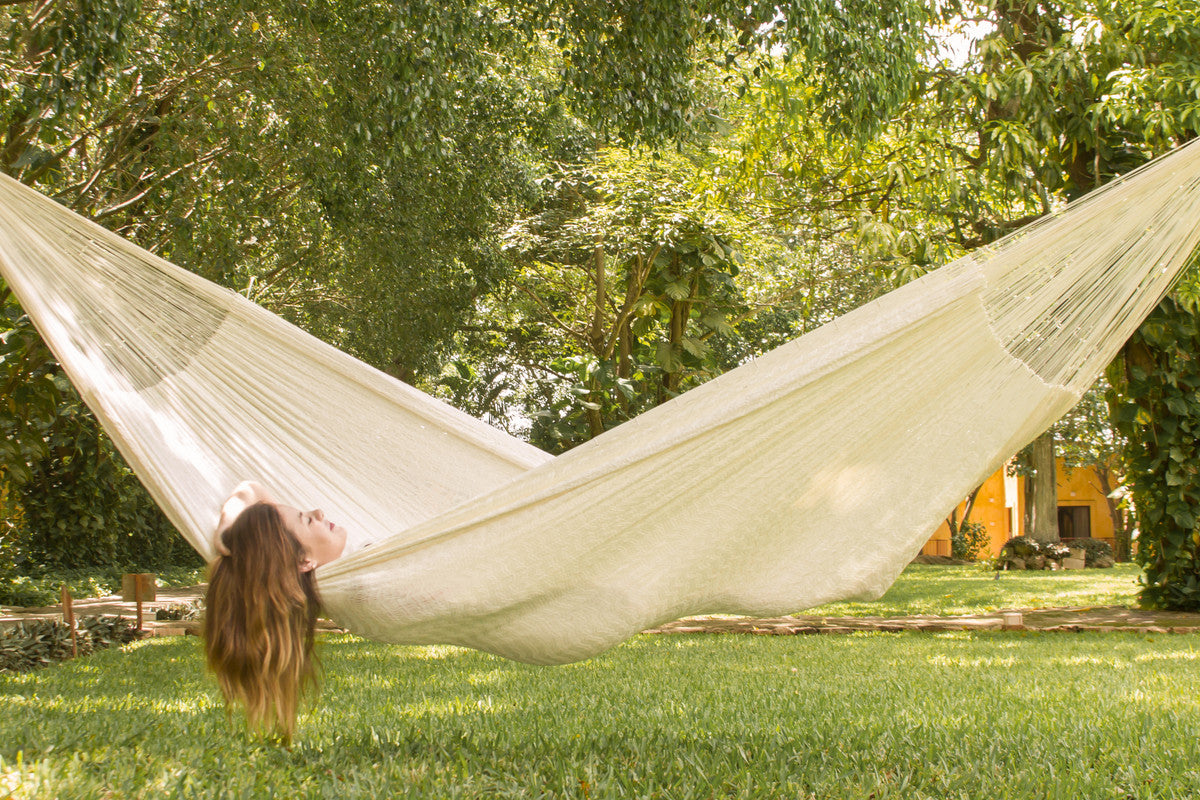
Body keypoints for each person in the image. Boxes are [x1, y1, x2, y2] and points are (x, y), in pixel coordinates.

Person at [203, 481, 360, 739]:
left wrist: (227, 527)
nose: (320, 513)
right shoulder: (362, 579)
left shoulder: (306, 569)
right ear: (304, 562)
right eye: (308, 521)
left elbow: (250, 489)